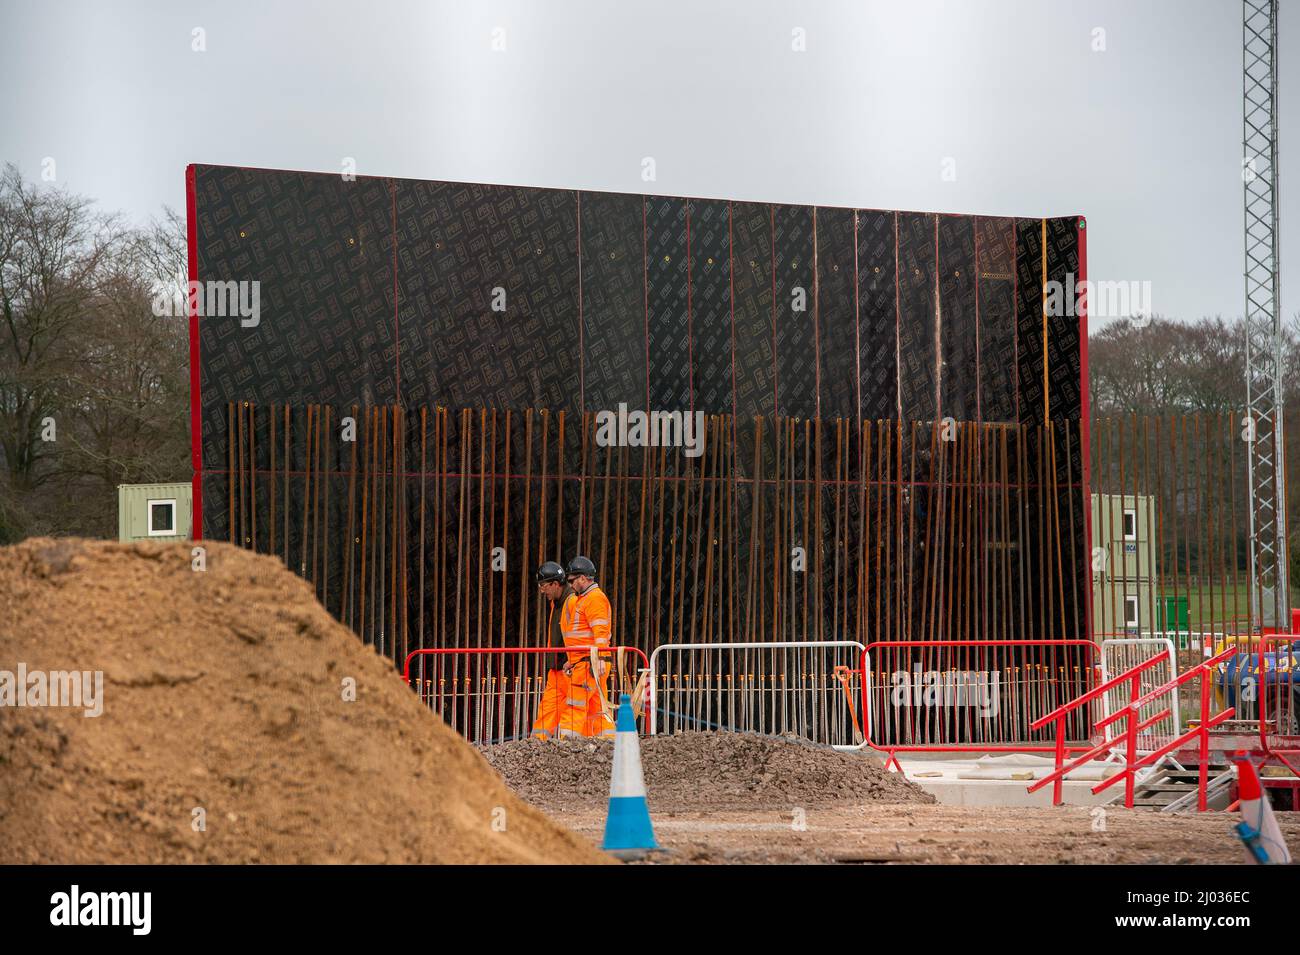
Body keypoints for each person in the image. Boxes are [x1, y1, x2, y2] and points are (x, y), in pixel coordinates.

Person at [530, 555, 616, 739]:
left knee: (575, 706)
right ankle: (609, 742)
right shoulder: (580, 599)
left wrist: (599, 657)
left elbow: (600, 632)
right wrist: (571, 660)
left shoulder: (592, 599)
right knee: (596, 708)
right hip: (581, 662)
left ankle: (568, 746)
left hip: (588, 663)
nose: (570, 584)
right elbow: (576, 636)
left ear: (583, 578)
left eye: (571, 580)